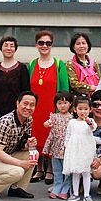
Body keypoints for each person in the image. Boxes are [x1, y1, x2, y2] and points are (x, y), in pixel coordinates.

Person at [0, 91, 39, 201]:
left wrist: (29, 144)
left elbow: (21, 146)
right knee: (18, 171)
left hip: (8, 153)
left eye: (32, 105)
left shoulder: (29, 119)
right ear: (17, 103)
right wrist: (21, 163)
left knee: (34, 154)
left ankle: (16, 188)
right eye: (25, 103)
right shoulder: (6, 122)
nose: (28, 108)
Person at [28, 30, 70, 184]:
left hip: (52, 108)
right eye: (41, 43)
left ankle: (51, 169)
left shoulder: (59, 64)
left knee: (52, 137)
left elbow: (64, 89)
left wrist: (62, 110)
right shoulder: (32, 64)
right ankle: (39, 168)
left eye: (48, 43)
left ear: (52, 45)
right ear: (36, 45)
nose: (44, 46)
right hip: (35, 109)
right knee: (37, 136)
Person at [63, 95, 97, 201]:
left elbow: (93, 127)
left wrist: (88, 121)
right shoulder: (72, 122)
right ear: (75, 109)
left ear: (90, 109)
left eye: (86, 109)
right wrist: (66, 147)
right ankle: (75, 193)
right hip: (74, 150)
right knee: (75, 172)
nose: (83, 111)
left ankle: (87, 194)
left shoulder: (90, 121)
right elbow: (68, 135)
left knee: (86, 172)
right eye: (80, 109)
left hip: (86, 149)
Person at [0, 36, 30, 122]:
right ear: (1, 48)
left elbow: (26, 92)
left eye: (12, 46)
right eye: (6, 45)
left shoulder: (22, 68)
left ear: (15, 49)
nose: (9, 48)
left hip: (16, 112)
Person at [42, 91, 74, 199]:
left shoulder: (72, 119)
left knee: (67, 170)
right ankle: (57, 187)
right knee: (57, 169)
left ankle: (66, 188)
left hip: (67, 147)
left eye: (65, 103)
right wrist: (47, 124)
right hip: (56, 146)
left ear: (70, 104)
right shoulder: (54, 117)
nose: (62, 106)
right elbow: (46, 124)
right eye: (59, 103)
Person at [66, 33, 101, 98]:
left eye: (84, 43)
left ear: (88, 45)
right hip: (79, 100)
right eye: (78, 44)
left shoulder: (94, 62)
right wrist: (91, 88)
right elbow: (74, 84)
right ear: (73, 47)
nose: (81, 46)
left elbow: (100, 81)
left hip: (95, 99)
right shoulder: (70, 64)